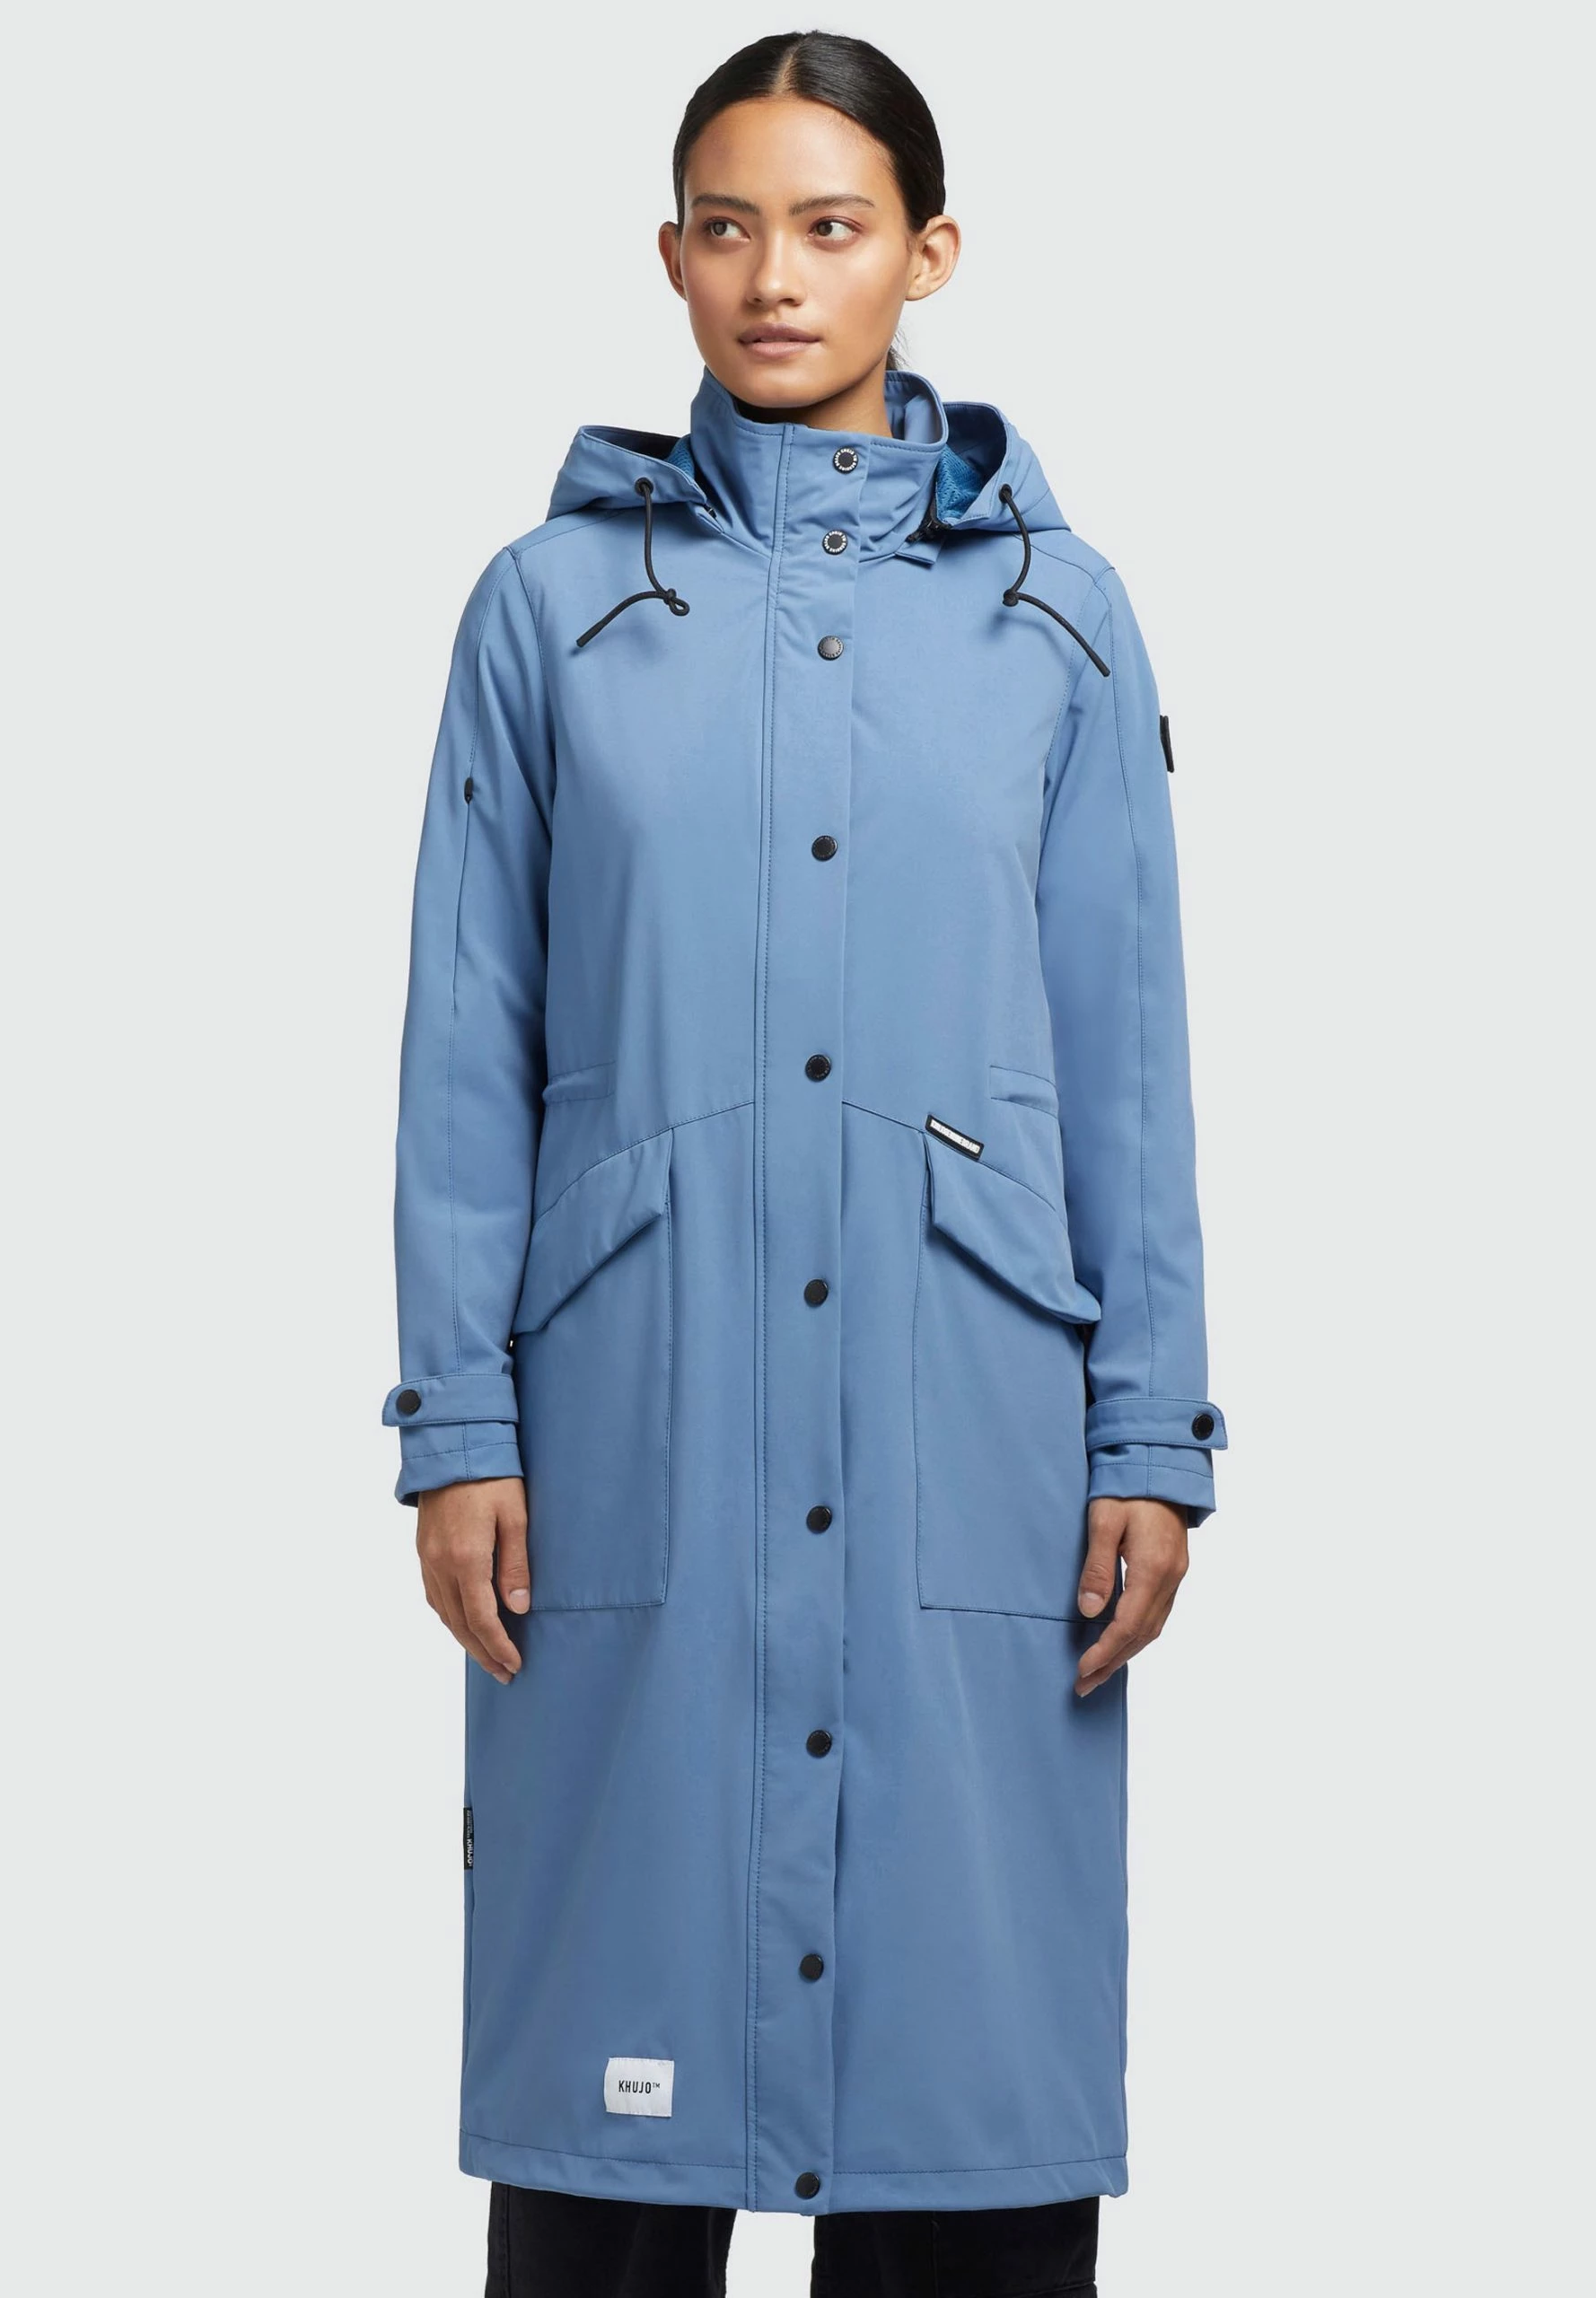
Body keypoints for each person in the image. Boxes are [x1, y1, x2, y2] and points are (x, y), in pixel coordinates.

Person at [382, 29, 1226, 2297]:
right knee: (607, 2135)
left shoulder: (1057, 616)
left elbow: (1124, 1054)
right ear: (669, 256)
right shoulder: (549, 607)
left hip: (977, 1430)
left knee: (966, 2120)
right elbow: (469, 1043)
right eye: (728, 227)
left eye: (831, 227)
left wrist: (1149, 1432)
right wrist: (458, 1420)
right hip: (628, 1421)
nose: (775, 277)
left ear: (926, 254)